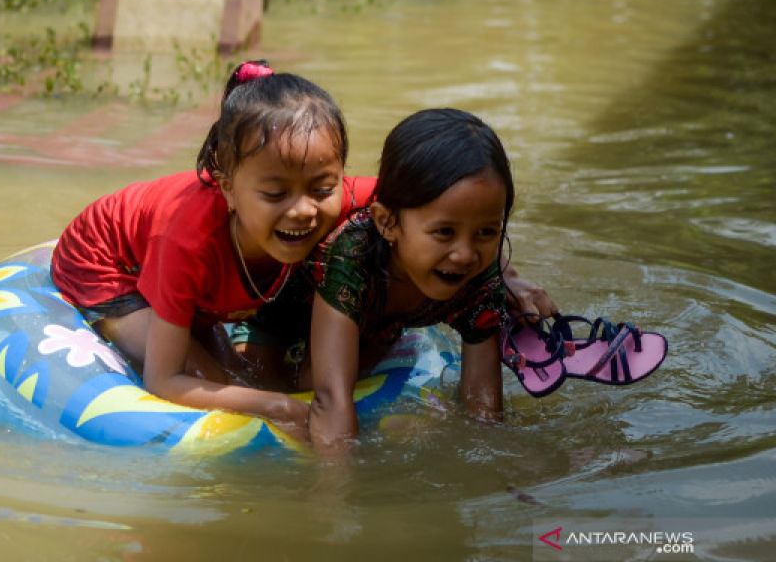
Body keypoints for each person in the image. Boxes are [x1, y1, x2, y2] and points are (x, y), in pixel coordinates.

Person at [50, 61, 375, 438]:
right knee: (211, 378)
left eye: (321, 190)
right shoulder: (186, 242)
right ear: (227, 189)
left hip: (167, 259)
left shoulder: (329, 194)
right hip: (107, 264)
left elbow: (413, 196)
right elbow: (164, 380)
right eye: (275, 194)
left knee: (237, 374)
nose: (304, 210)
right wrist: (278, 405)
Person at [235, 108, 557, 449]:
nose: (465, 254)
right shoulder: (352, 256)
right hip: (280, 318)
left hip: (375, 325)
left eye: (486, 232)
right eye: (444, 232)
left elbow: (484, 410)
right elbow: (330, 400)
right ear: (387, 223)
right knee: (297, 383)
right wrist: (335, 495)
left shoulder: (480, 277)